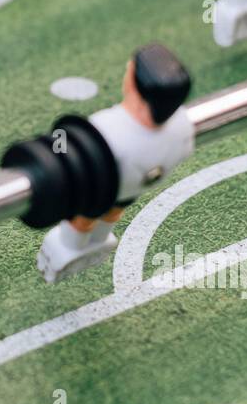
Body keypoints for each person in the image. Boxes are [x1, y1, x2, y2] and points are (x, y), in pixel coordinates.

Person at [37, 44, 194, 283]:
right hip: (137, 185)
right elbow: (185, 150)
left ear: (134, 86)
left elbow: (76, 149)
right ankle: (100, 241)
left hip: (102, 187)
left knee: (84, 217)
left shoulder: (108, 127)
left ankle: (69, 248)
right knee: (116, 209)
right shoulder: (181, 125)